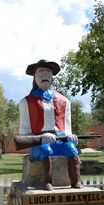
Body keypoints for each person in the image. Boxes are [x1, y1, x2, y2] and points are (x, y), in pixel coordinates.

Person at [19, 59, 83, 191]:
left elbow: (67, 126)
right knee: (45, 149)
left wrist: (70, 136)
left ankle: (76, 181)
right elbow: (24, 134)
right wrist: (41, 138)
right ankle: (47, 182)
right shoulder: (26, 102)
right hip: (39, 142)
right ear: (34, 77)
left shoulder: (64, 101)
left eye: (48, 73)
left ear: (52, 78)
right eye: (41, 73)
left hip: (60, 140)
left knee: (71, 148)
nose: (45, 76)